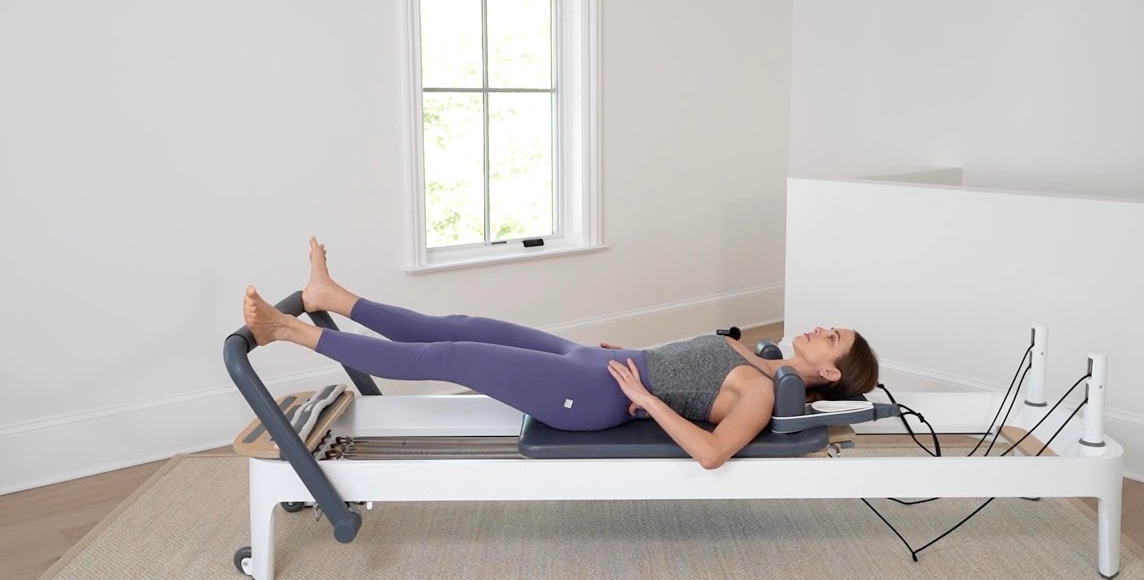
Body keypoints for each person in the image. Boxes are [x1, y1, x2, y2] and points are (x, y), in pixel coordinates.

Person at [242, 238, 879, 470]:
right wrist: (631, 354)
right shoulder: (758, 355)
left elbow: (712, 453)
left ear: (827, 373)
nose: (821, 328)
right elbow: (685, 362)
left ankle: (290, 333)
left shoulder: (763, 391)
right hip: (593, 363)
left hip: (596, 398)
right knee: (463, 324)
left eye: (832, 338)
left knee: (456, 355)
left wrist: (645, 398)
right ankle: (334, 296)